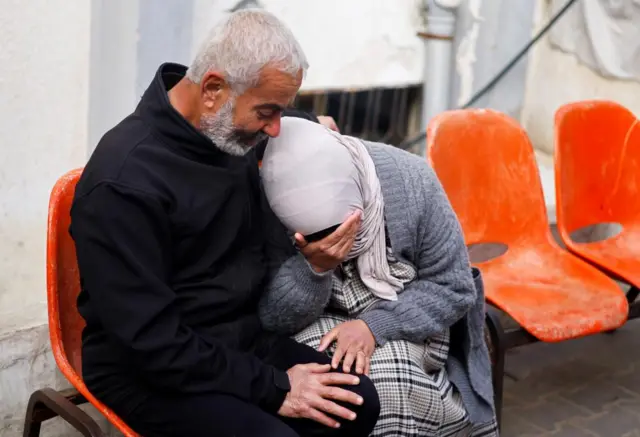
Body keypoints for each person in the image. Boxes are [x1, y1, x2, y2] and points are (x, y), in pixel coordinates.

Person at [70, 10, 379, 437]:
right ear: (213, 88)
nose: (276, 129)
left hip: (237, 338)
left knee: (355, 403)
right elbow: (150, 343)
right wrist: (275, 388)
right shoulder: (123, 182)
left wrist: (314, 132)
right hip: (150, 368)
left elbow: (276, 121)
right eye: (268, 112)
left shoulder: (223, 127)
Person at [258, 117, 500, 436]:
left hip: (408, 313)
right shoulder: (272, 202)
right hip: (318, 320)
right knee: (334, 387)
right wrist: (314, 268)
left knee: (386, 384)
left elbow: (453, 287)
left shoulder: (412, 181)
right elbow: (272, 317)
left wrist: (374, 327)